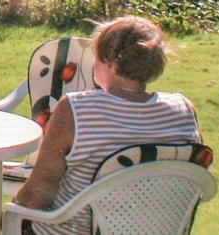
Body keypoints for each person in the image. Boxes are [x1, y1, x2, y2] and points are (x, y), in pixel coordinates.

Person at [13, 16, 202, 234]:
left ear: (108, 60)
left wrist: (10, 211)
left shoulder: (76, 109)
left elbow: (37, 197)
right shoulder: (183, 110)